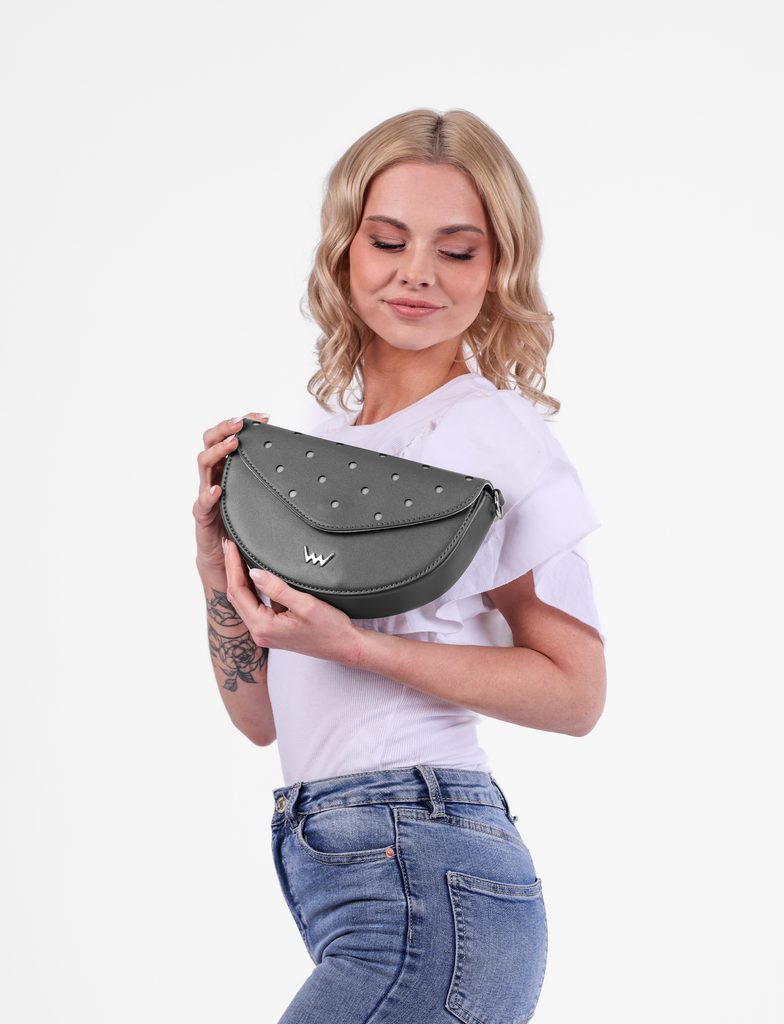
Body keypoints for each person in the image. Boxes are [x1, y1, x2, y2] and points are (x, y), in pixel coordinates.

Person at [192, 108, 606, 1023]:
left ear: (497, 271)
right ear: (345, 251)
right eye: (388, 241)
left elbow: (577, 694)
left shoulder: (492, 436)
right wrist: (216, 563)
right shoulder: (324, 453)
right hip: (344, 864)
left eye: (457, 250)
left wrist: (358, 646)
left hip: (426, 866)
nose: (417, 271)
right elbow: (259, 719)